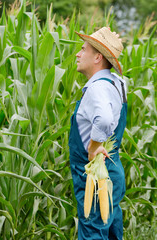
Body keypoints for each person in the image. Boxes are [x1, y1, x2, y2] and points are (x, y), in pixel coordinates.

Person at [69, 27, 127, 240]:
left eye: (83, 50)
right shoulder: (117, 83)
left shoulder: (96, 89)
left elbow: (103, 119)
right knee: (110, 232)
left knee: (93, 233)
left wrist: (93, 147)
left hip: (96, 178)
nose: (78, 53)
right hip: (113, 172)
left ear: (98, 57)